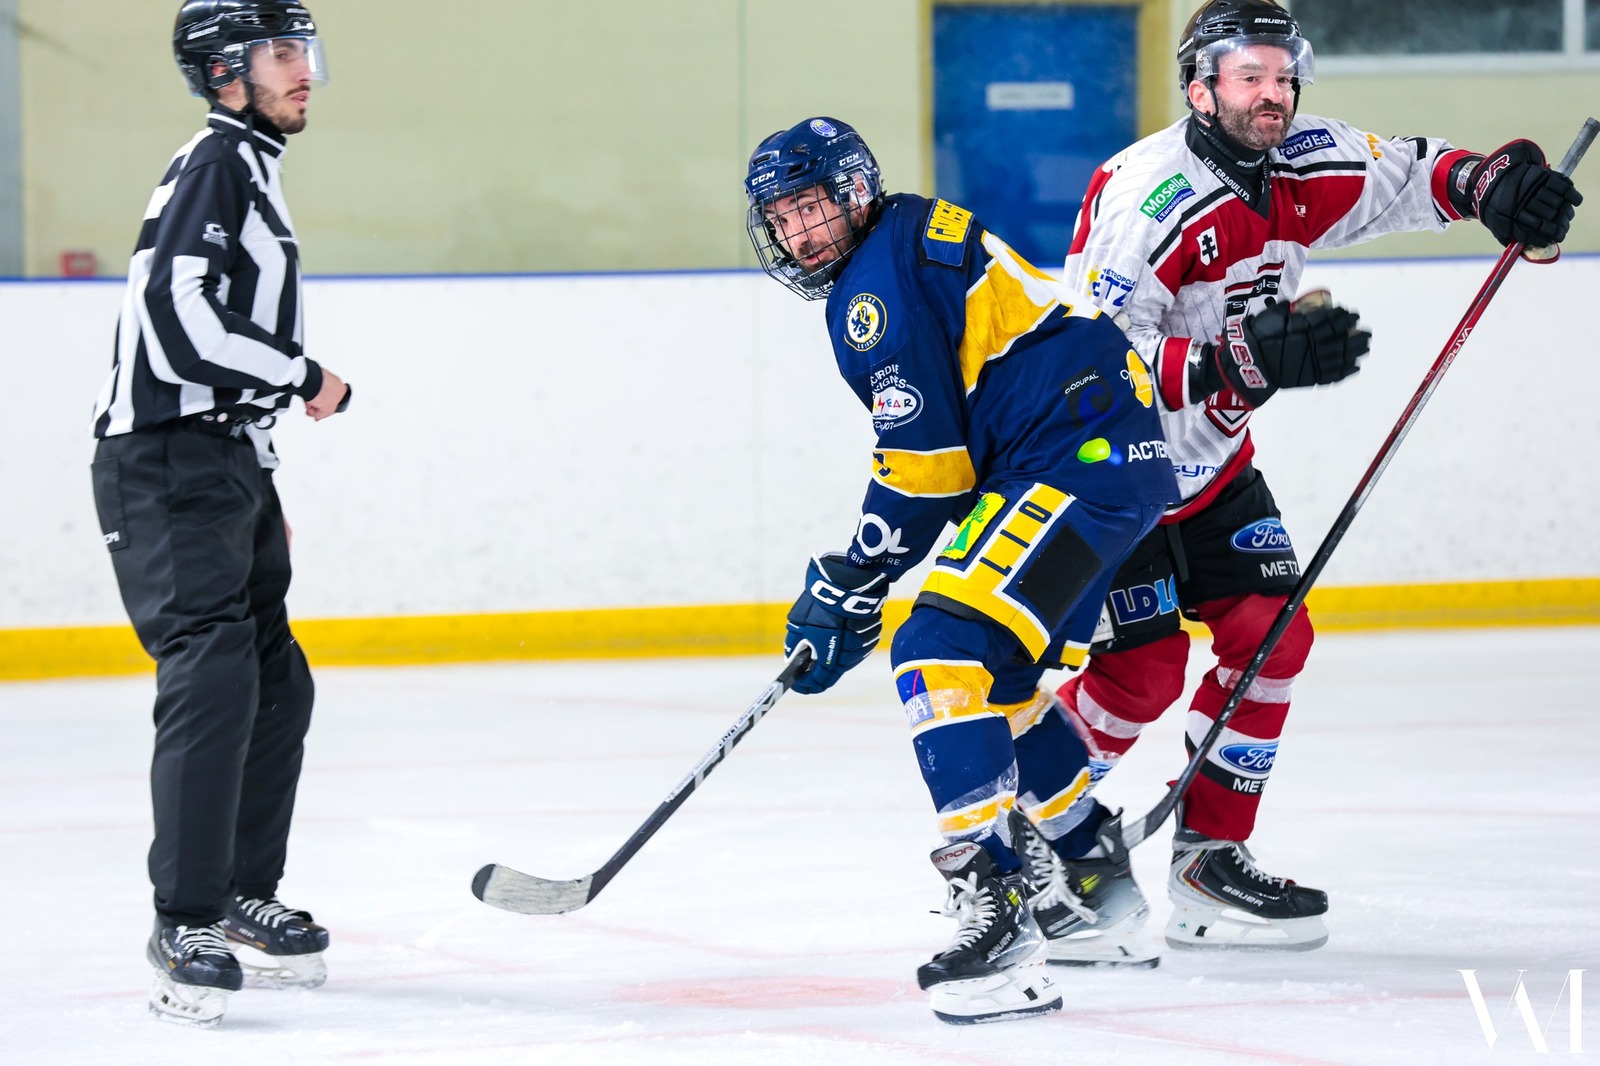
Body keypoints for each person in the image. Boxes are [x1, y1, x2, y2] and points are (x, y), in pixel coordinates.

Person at [1023, 0, 1583, 958]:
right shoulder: (1151, 196)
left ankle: (1208, 860)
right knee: (1139, 677)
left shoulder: (1303, 159)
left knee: (1272, 638)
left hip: (1214, 464)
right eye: (1249, 76)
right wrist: (1238, 358)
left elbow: (1411, 176)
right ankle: (1026, 853)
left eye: (1283, 74)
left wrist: (1493, 186)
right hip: (1112, 469)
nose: (1273, 94)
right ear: (1200, 88)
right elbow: (1090, 366)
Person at [744, 117, 1180, 1023]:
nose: (796, 234)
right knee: (998, 677)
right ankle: (1095, 886)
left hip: (1077, 456)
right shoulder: (900, 238)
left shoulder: (873, 290)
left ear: (854, 192)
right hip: (1083, 448)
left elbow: (930, 467)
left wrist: (857, 574)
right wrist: (863, 572)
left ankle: (1001, 919)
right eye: (780, 219)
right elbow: (944, 454)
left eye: (809, 207)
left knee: (936, 649)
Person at [89, 0, 349, 1028]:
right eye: (280, 52)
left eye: (303, 49)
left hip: (222, 462)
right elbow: (177, 322)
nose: (303, 70)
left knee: (276, 680)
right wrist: (304, 375)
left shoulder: (247, 166)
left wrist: (258, 469)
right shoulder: (216, 163)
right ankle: (185, 918)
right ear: (225, 70)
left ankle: (240, 894)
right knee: (214, 671)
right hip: (164, 461)